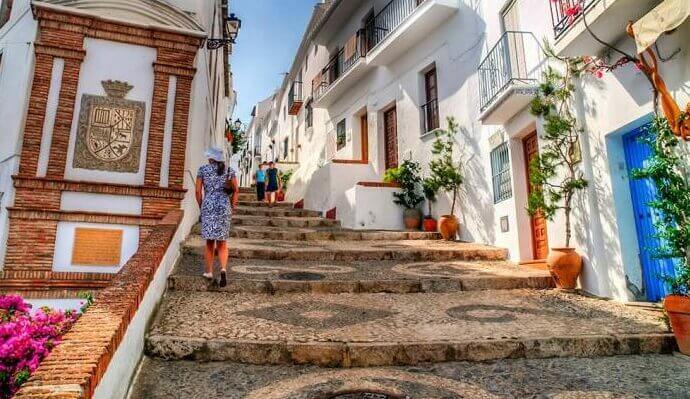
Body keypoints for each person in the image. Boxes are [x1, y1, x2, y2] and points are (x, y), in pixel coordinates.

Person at [195, 147, 238, 288]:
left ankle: (208, 271)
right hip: (224, 206)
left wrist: (202, 205)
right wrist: (232, 207)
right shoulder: (230, 171)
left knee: (209, 242)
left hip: (209, 206)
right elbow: (236, 190)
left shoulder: (203, 170)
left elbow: (198, 191)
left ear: (210, 158)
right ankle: (223, 269)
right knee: (222, 242)